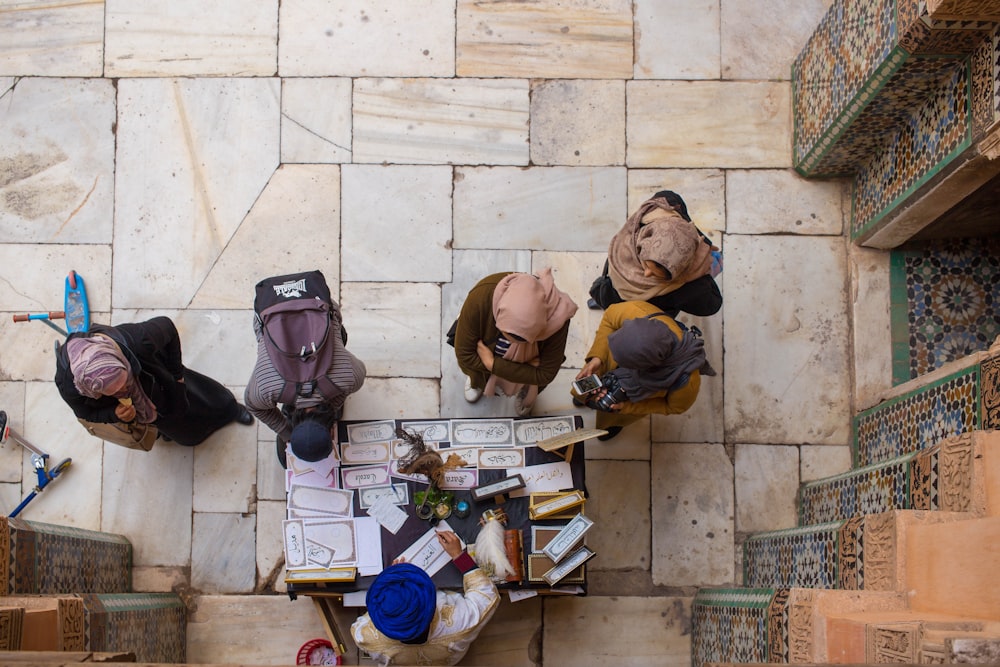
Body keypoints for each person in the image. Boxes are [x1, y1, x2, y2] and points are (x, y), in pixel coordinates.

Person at [55, 316, 254, 446]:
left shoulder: (137, 340)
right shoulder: (71, 386)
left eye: (125, 381)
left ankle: (230, 410)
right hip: (148, 412)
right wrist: (114, 412)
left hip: (160, 379)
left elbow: (167, 326)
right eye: (115, 392)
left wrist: (176, 374)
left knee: (201, 396)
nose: (125, 390)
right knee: (180, 429)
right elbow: (85, 413)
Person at [245, 296, 365, 468]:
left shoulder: (351, 377)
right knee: (338, 339)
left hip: (312, 303)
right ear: (332, 432)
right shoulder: (265, 389)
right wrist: (287, 432)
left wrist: (285, 432)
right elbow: (253, 406)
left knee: (339, 336)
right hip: (283, 307)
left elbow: (254, 407)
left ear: (331, 432)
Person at [351, 530, 499, 666]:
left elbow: (367, 618)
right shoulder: (462, 622)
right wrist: (459, 556)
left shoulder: (364, 636)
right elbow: (487, 594)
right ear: (432, 605)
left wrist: (393, 586)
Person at [573, 301, 713, 441]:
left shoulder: (686, 382)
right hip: (602, 369)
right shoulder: (640, 312)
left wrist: (626, 407)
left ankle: (610, 425)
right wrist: (598, 357)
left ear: (644, 368)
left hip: (633, 400)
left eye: (623, 363)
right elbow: (610, 317)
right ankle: (584, 398)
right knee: (584, 388)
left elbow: (672, 407)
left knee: (612, 417)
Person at [453, 268, 578, 417]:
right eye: (506, 334)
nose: (516, 344)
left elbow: (546, 375)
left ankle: (525, 391)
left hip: (487, 358)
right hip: (493, 366)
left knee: (534, 383)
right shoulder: (481, 297)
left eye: (526, 340)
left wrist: (492, 364)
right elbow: (464, 355)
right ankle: (478, 382)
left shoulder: (557, 319)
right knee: (475, 372)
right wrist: (524, 368)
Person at [589, 190, 722, 318]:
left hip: (613, 289)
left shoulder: (653, 216)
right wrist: (699, 258)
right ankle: (604, 300)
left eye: (655, 271)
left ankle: (601, 300)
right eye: (648, 264)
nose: (646, 274)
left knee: (608, 297)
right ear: (647, 244)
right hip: (626, 301)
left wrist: (696, 239)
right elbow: (713, 303)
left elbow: (670, 197)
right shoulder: (685, 289)